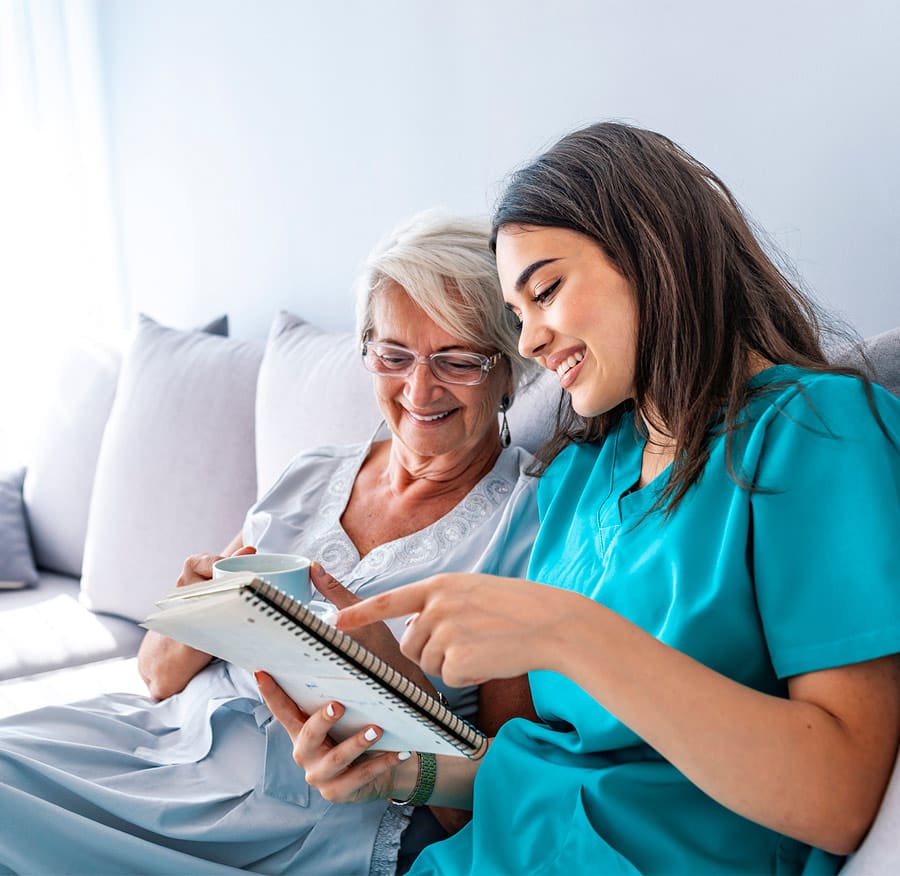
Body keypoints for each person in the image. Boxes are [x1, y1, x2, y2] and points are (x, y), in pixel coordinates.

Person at [266, 122, 900, 875]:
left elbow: (841, 797)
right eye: (517, 314)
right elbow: (553, 765)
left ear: (651, 250)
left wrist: (569, 632)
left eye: (546, 291)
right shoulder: (578, 477)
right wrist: (403, 769)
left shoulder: (816, 431)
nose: (529, 341)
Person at [0, 210, 542, 876]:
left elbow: (518, 803)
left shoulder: (529, 522)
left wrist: (403, 690)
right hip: (167, 748)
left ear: (509, 368)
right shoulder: (313, 473)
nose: (418, 388)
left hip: (292, 815)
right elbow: (155, 675)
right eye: (394, 356)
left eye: (457, 360)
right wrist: (204, 608)